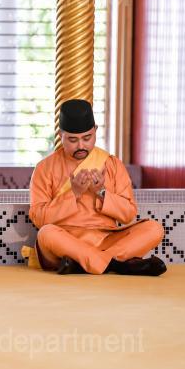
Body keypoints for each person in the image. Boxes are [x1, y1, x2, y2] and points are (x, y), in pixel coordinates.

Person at [29, 99, 166, 276]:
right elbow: (39, 219)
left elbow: (128, 215)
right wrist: (74, 194)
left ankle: (82, 264)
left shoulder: (112, 164)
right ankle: (118, 265)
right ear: (61, 134)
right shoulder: (44, 168)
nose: (81, 146)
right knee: (47, 234)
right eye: (72, 140)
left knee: (154, 229)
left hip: (106, 239)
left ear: (95, 130)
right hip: (67, 241)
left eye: (87, 138)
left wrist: (102, 193)